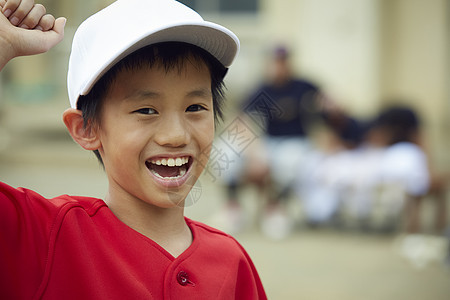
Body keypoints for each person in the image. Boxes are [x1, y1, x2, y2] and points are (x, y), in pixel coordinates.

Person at [0, 0, 267, 299]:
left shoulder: (232, 261)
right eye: (146, 110)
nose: (175, 135)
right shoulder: (45, 236)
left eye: (195, 107)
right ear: (86, 129)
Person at [218, 45, 322, 238]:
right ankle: (232, 208)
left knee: (289, 161)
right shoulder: (263, 89)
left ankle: (276, 210)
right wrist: (254, 154)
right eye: (275, 62)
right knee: (227, 148)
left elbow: (327, 106)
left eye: (282, 62)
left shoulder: (303, 86)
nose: (279, 66)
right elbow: (240, 119)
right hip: (270, 142)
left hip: (297, 142)